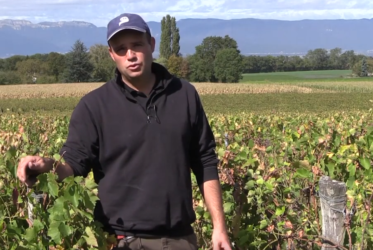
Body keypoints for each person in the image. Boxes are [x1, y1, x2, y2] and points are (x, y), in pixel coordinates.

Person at [17, 13, 232, 250]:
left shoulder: (185, 95)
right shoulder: (94, 106)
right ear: (112, 55)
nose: (130, 55)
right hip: (120, 241)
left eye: (137, 45)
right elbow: (73, 165)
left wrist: (219, 228)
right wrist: (46, 166)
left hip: (180, 240)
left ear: (151, 44)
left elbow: (205, 162)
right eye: (121, 49)